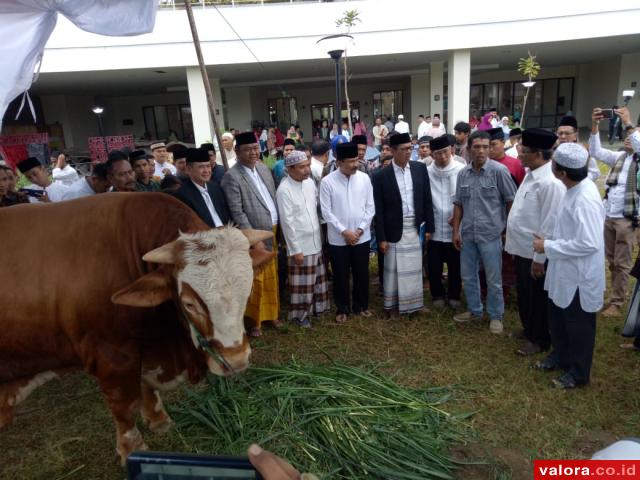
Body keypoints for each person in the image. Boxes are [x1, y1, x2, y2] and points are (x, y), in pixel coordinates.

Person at [532, 142, 605, 389]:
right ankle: (561, 356)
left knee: (578, 325)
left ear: (561, 172)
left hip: (579, 274)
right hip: (563, 268)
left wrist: (548, 247)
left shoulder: (584, 198)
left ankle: (579, 372)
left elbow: (589, 243)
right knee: (559, 317)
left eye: (553, 163)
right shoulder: (571, 189)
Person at [505, 128, 565, 356]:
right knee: (525, 293)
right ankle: (529, 328)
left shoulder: (550, 183)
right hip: (522, 248)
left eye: (524, 150)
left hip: (536, 253)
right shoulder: (532, 172)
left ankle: (538, 339)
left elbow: (549, 225)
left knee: (537, 297)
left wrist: (540, 259)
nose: (519, 153)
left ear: (539, 154)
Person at [452, 131, 517, 334]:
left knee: (493, 278)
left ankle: (496, 315)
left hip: (491, 235)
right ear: (469, 148)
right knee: (469, 275)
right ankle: (474, 310)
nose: (481, 151)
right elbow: (458, 203)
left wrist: (508, 230)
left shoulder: (499, 171)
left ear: (490, 148)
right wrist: (456, 230)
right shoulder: (463, 173)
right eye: (477, 147)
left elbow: (510, 202)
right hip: (468, 234)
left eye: (485, 147)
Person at [221, 131, 280, 337]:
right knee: (256, 278)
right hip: (254, 235)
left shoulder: (264, 169)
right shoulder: (232, 176)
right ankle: (255, 322)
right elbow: (237, 211)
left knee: (272, 275)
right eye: (247, 150)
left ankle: (272, 315)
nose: (253, 153)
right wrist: (253, 240)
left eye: (255, 148)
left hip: (273, 229)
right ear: (237, 152)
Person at [373, 132, 433, 316]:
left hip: (414, 227)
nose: (409, 152)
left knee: (414, 268)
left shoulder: (419, 169)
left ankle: (414, 304)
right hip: (393, 229)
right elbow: (379, 210)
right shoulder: (381, 175)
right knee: (393, 269)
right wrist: (381, 238)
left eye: (410, 148)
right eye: (404, 149)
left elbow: (427, 199)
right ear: (392, 151)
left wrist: (430, 227)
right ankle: (392, 305)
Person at [588, 106, 639, 317]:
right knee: (610, 259)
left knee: (622, 262)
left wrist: (628, 123)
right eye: (627, 136)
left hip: (628, 219)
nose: (629, 139)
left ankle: (617, 302)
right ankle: (614, 298)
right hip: (609, 214)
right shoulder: (619, 157)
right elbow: (596, 151)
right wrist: (594, 125)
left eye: (632, 136)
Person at [320, 142, 375, 323]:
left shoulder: (364, 179)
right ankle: (342, 308)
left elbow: (370, 207)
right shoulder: (328, 182)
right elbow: (327, 212)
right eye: (350, 161)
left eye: (356, 160)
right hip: (338, 239)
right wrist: (345, 232)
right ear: (339, 162)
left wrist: (359, 230)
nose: (355, 165)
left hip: (362, 236)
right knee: (341, 275)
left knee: (361, 273)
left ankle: (361, 305)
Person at [276, 151, 329, 328]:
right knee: (302, 284)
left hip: (315, 240)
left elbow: (315, 209)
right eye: (302, 167)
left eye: (307, 165)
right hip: (300, 246)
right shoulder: (284, 190)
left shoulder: (309, 184)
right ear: (290, 169)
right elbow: (287, 224)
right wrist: (295, 249)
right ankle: (300, 316)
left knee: (317, 279)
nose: (307, 170)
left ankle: (317, 308)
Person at [426, 135, 465, 308]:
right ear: (432, 154)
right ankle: (437, 294)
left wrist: (460, 217)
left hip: (455, 226)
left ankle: (454, 294)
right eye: (437, 153)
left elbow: (467, 198)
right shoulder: (426, 172)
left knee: (455, 263)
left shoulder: (462, 170)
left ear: (451, 150)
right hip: (434, 227)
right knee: (433, 264)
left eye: (445, 152)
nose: (442, 157)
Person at [174, 148, 230, 228]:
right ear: (188, 169)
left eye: (208, 166)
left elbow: (227, 215)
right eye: (201, 167)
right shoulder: (182, 195)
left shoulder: (215, 187)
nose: (206, 171)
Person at [556, 115, 600, 182]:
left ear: (575, 136)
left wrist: (577, 181)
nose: (563, 136)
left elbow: (595, 172)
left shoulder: (584, 151)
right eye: (560, 133)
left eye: (567, 133)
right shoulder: (552, 151)